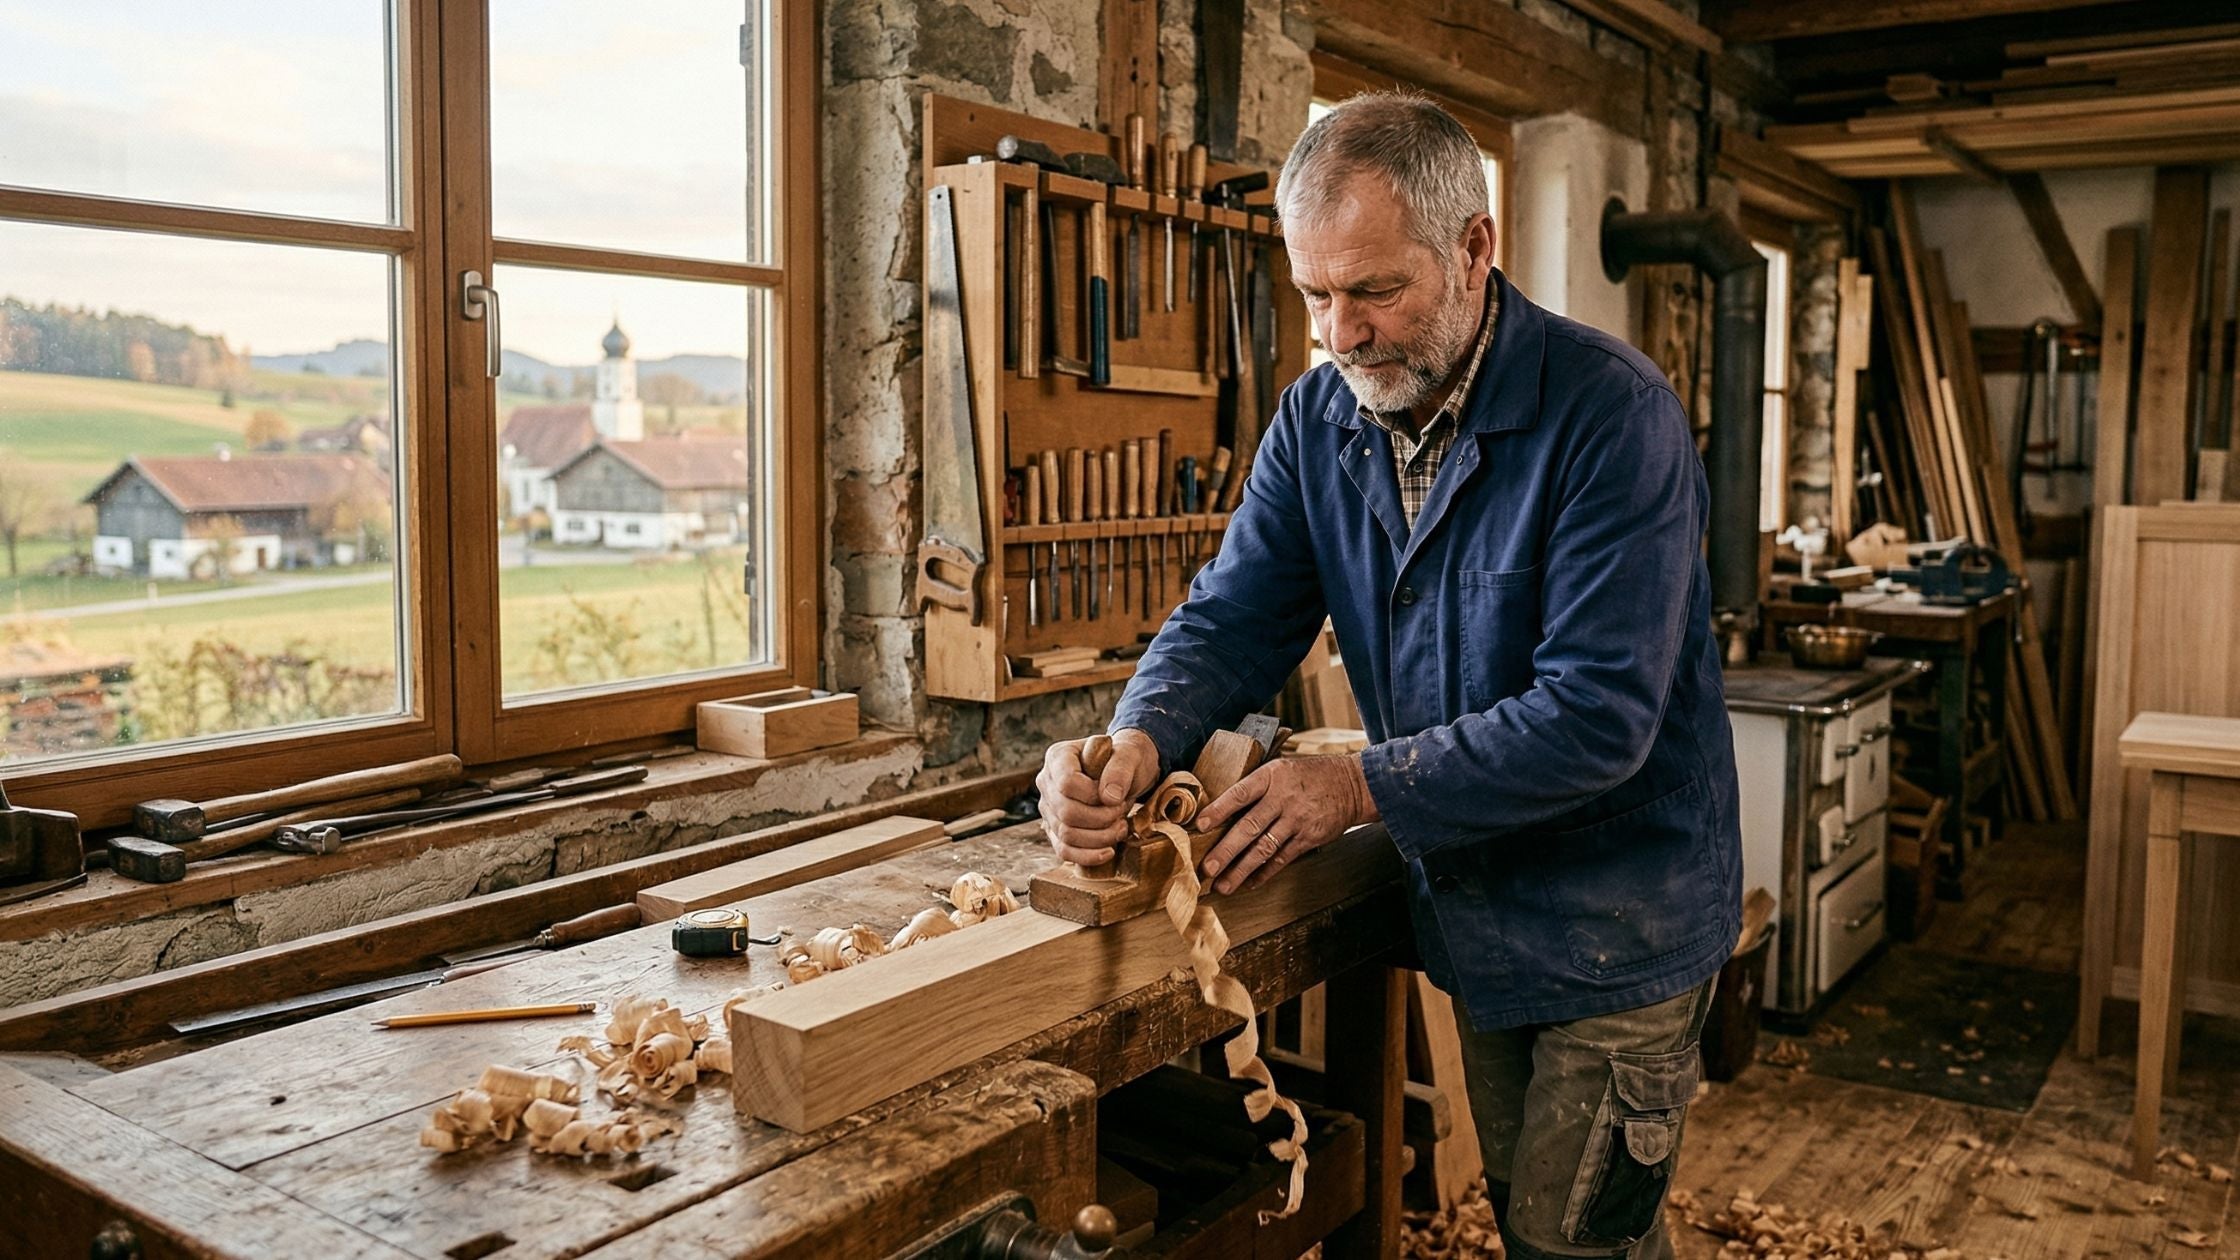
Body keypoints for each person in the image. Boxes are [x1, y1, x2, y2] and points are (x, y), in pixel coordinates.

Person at [1035, 92, 1741, 1259]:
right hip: (1480, 902)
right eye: (1314, 295)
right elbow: (1231, 618)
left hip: (1620, 915)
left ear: (1474, 248)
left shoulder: (1613, 418)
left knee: (1573, 1243)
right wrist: (1138, 741)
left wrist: (1358, 786)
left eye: (1373, 291)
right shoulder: (1321, 419)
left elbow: (1597, 714)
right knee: (1545, 1226)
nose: (1339, 334)